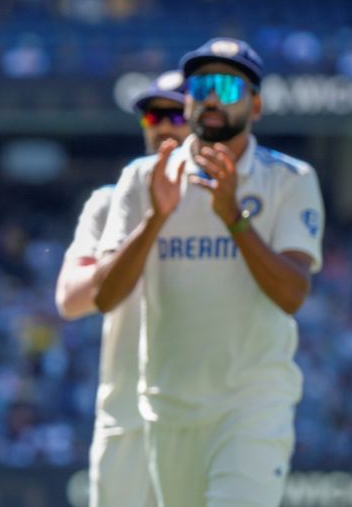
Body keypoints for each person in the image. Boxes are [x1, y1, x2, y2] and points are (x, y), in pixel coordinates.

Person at [93, 38, 324, 507]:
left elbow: (292, 294)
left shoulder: (290, 179)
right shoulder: (144, 178)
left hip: (252, 405)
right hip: (168, 407)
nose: (213, 98)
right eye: (201, 87)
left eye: (228, 86)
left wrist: (233, 218)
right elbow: (105, 297)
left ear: (255, 105)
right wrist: (155, 218)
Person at [55, 70, 189, 507]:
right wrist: (139, 238)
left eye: (176, 115)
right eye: (153, 116)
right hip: (127, 419)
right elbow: (70, 300)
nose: (164, 126)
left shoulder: (227, 203)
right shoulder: (109, 202)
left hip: (204, 416)